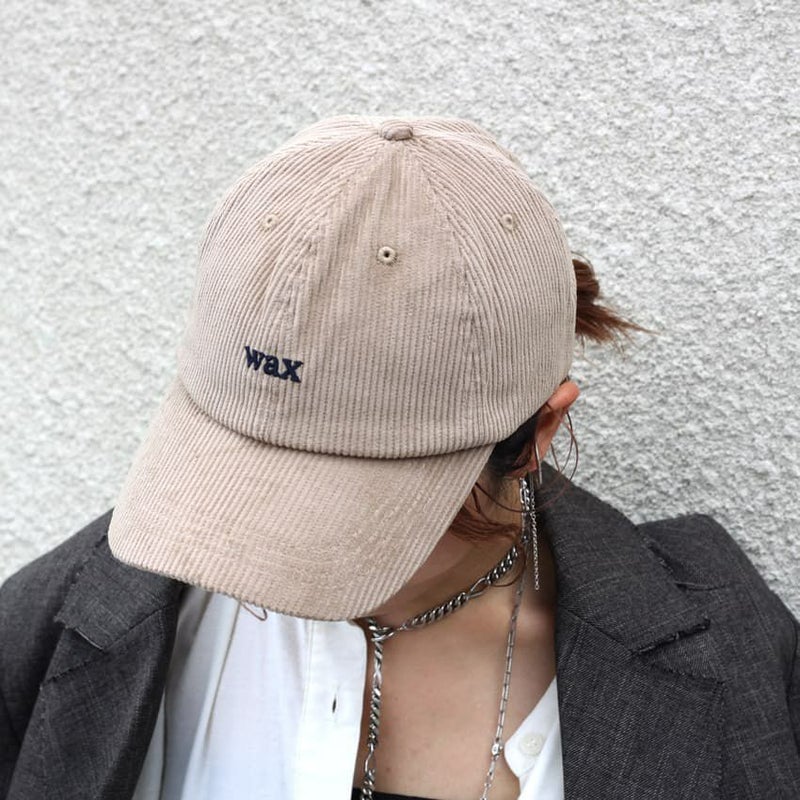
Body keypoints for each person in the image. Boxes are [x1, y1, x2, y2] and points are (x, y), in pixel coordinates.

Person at [1, 115, 798, 800]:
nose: (273, 533)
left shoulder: (730, 658)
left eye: (356, 492)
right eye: (243, 468)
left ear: (536, 435)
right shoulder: (64, 619)